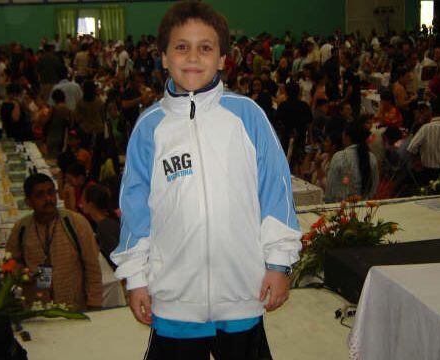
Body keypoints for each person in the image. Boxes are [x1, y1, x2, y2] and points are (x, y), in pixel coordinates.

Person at [111, 3, 301, 359]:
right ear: (164, 57)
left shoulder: (248, 117)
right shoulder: (150, 128)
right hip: (174, 300)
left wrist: (278, 263)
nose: (193, 57)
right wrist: (136, 278)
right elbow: (136, 211)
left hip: (242, 295)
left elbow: (276, 194)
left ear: (223, 59)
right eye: (181, 47)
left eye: (205, 47)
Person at [5, 173, 102, 311]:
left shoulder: (75, 223)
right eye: (40, 195)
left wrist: (95, 303)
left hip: (74, 307)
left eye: (51, 192)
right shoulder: (22, 228)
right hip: (37, 308)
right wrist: (25, 274)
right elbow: (11, 263)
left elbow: (92, 266)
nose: (48, 199)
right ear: (28, 202)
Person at [325, 122, 379, 202]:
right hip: (365, 206)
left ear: (347, 137)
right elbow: (374, 188)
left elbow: (330, 190)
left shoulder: (339, 157)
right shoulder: (372, 157)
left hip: (341, 208)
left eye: (343, 135)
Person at [81, 184, 120, 270]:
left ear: (90, 205)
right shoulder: (106, 222)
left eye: (83, 200)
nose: (80, 204)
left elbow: (118, 260)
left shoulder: (104, 228)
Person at [45, 89, 72, 158]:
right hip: (63, 136)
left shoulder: (53, 109)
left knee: (50, 156)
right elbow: (71, 124)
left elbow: (46, 121)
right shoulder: (68, 110)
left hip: (52, 134)